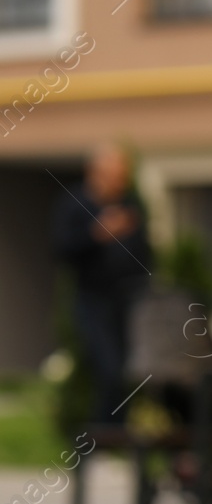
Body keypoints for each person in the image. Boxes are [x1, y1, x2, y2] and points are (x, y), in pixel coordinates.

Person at [52, 140, 153, 425]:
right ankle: (101, 436)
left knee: (132, 370)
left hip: (129, 300)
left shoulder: (130, 204)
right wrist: (98, 233)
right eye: (114, 175)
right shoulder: (75, 204)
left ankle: (121, 435)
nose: (120, 182)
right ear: (95, 173)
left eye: (123, 175)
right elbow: (61, 250)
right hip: (93, 301)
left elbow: (145, 252)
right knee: (108, 369)